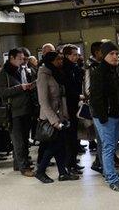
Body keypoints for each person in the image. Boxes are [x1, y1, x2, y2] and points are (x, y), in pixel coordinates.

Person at [35, 51, 80, 183]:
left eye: (61, 59)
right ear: (51, 61)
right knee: (54, 146)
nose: (61, 61)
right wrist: (54, 121)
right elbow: (43, 101)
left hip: (60, 116)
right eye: (58, 60)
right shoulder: (43, 75)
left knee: (60, 145)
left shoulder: (57, 73)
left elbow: (61, 97)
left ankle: (62, 173)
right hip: (50, 118)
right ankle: (41, 171)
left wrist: (64, 117)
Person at [90, 41, 119, 192]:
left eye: (117, 54)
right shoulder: (98, 72)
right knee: (108, 147)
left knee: (112, 146)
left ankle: (110, 173)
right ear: (104, 55)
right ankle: (111, 179)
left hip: (115, 114)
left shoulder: (115, 70)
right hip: (105, 116)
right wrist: (103, 117)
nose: (115, 56)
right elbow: (96, 98)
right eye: (111, 54)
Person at [0, 48, 36, 177]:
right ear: (11, 58)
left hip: (26, 109)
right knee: (19, 141)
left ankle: (18, 164)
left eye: (24, 58)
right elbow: (2, 93)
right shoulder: (2, 74)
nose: (23, 61)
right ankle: (24, 167)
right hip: (13, 111)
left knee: (24, 139)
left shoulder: (23, 70)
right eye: (20, 58)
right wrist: (20, 87)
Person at [61, 44, 85, 174]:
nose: (76, 57)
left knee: (74, 136)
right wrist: (78, 95)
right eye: (74, 54)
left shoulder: (75, 67)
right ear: (66, 55)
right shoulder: (65, 69)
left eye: (77, 54)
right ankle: (69, 164)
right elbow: (68, 89)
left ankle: (73, 162)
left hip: (76, 104)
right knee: (69, 137)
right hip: (69, 106)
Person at [85, 41, 103, 172]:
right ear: (97, 52)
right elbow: (87, 89)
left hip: (103, 105)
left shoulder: (101, 65)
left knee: (105, 138)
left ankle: (100, 161)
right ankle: (100, 163)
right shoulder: (90, 67)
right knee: (102, 138)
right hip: (97, 106)